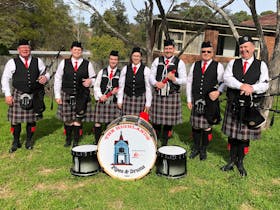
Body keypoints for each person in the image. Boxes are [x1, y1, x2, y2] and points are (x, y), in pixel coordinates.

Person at [221, 35, 269, 176]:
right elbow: (227, 78)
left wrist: (252, 88)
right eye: (241, 47)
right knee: (232, 136)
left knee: (244, 137)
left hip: (250, 107)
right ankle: (231, 161)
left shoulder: (261, 65)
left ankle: (240, 162)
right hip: (234, 104)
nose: (243, 49)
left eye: (246, 46)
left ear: (253, 48)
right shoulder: (232, 63)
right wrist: (241, 85)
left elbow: (265, 84)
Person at [1, 39, 49, 152]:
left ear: (30, 49)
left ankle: (29, 141)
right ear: (18, 50)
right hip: (18, 93)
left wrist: (46, 77)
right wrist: (7, 94)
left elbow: (46, 73)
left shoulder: (38, 61)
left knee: (31, 120)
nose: (25, 50)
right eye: (22, 48)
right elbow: (5, 78)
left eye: (27, 48)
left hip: (34, 94)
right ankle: (16, 141)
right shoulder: (12, 62)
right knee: (15, 121)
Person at [186, 41, 225, 160]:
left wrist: (218, 92)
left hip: (210, 101)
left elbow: (223, 82)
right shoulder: (195, 65)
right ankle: (196, 147)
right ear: (201, 52)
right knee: (196, 126)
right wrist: (189, 99)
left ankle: (203, 149)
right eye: (203, 51)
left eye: (208, 51)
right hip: (196, 99)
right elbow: (189, 82)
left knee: (207, 126)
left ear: (212, 53)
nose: (206, 53)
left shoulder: (218, 66)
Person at [54, 41, 96, 147]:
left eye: (79, 50)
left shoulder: (88, 64)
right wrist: (57, 95)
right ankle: (68, 140)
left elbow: (95, 79)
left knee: (78, 118)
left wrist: (90, 82)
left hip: (81, 94)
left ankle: (76, 141)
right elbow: (58, 78)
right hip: (66, 93)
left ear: (82, 51)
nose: (77, 51)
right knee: (68, 119)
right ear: (71, 50)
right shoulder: (64, 62)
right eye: (75, 49)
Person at [150, 39, 187, 146]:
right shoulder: (157, 61)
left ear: (174, 49)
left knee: (168, 121)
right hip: (159, 94)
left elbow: (184, 80)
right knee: (156, 120)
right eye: (166, 48)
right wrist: (156, 83)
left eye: (170, 48)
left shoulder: (179, 62)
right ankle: (155, 139)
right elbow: (151, 76)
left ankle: (164, 142)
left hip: (172, 94)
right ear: (163, 49)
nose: (168, 50)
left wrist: (174, 79)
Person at [93, 50, 120, 144]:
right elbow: (96, 86)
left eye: (115, 59)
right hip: (102, 101)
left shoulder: (120, 74)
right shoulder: (102, 71)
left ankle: (108, 142)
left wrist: (116, 92)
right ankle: (97, 142)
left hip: (113, 102)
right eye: (112, 59)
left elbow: (122, 88)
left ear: (118, 61)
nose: (113, 61)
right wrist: (101, 96)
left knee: (111, 124)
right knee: (97, 122)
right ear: (109, 59)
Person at [117, 47, 152, 116]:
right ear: (131, 57)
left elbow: (148, 88)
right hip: (127, 98)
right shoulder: (125, 69)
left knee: (139, 122)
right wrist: (119, 100)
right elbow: (121, 86)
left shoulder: (146, 70)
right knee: (126, 120)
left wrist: (148, 103)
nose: (136, 58)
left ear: (141, 58)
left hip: (140, 99)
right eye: (134, 56)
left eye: (138, 56)